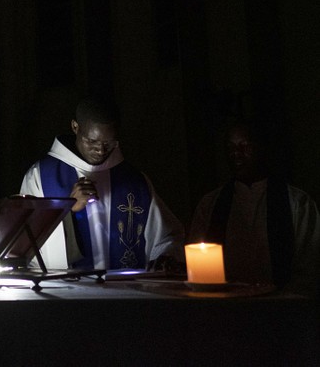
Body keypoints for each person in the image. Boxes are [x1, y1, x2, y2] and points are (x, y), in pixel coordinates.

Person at [19, 97, 184, 271]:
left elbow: (166, 237)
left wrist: (165, 256)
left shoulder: (134, 181)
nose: (100, 150)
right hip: (65, 286)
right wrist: (69, 210)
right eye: (91, 141)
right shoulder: (41, 175)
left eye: (108, 143)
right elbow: (28, 243)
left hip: (124, 286)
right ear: (75, 127)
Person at [189, 121, 320, 294]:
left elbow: (309, 265)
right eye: (231, 148)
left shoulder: (297, 203)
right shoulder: (211, 204)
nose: (237, 154)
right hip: (225, 303)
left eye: (245, 146)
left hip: (281, 302)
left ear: (262, 148)